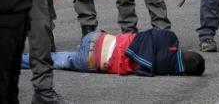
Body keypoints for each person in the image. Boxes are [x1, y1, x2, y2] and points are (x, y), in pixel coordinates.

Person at [23, 28, 205, 77]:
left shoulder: (169, 38)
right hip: (92, 62)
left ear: (187, 51)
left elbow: (147, 35)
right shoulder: (164, 69)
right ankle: (12, 60)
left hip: (98, 38)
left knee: (62, 55)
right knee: (53, 60)